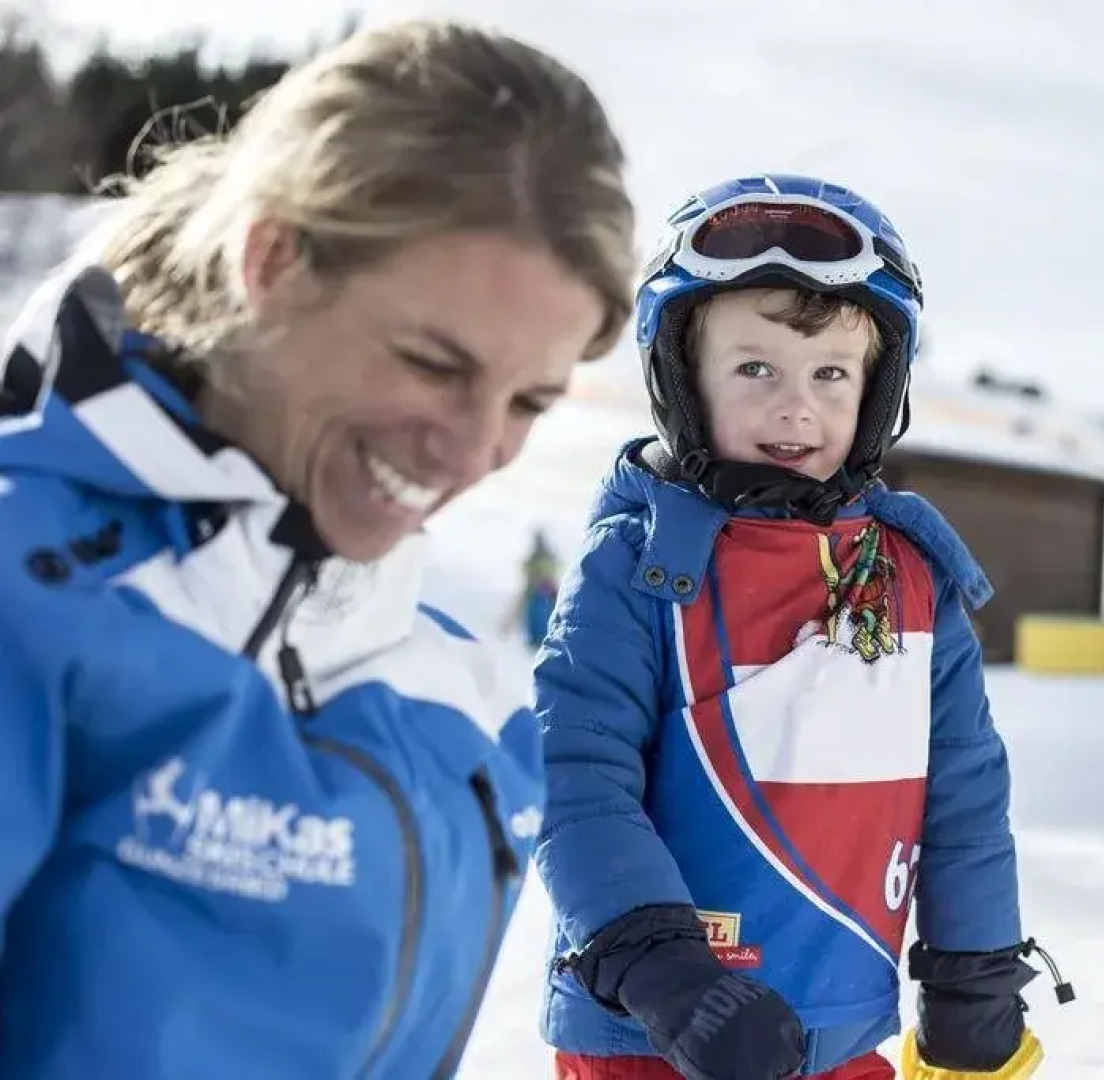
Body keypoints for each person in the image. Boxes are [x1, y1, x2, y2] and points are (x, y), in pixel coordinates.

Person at [0, 19, 635, 1078]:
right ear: (274, 260)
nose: (474, 451)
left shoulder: (461, 696)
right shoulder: (32, 592)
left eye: (528, 401)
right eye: (434, 363)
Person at [526, 175, 1070, 1080]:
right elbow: (574, 782)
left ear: (876, 388)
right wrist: (666, 975)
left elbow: (963, 797)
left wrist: (972, 978)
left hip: (844, 1035)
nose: (796, 406)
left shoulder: (910, 578)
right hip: (658, 1038)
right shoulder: (636, 566)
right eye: (754, 369)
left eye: (829, 373)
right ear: (682, 382)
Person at [512, 529, 562, 650]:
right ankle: (539, 639)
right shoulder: (542, 557)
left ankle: (540, 639)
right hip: (539, 593)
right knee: (539, 616)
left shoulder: (542, 557)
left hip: (541, 594)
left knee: (541, 616)